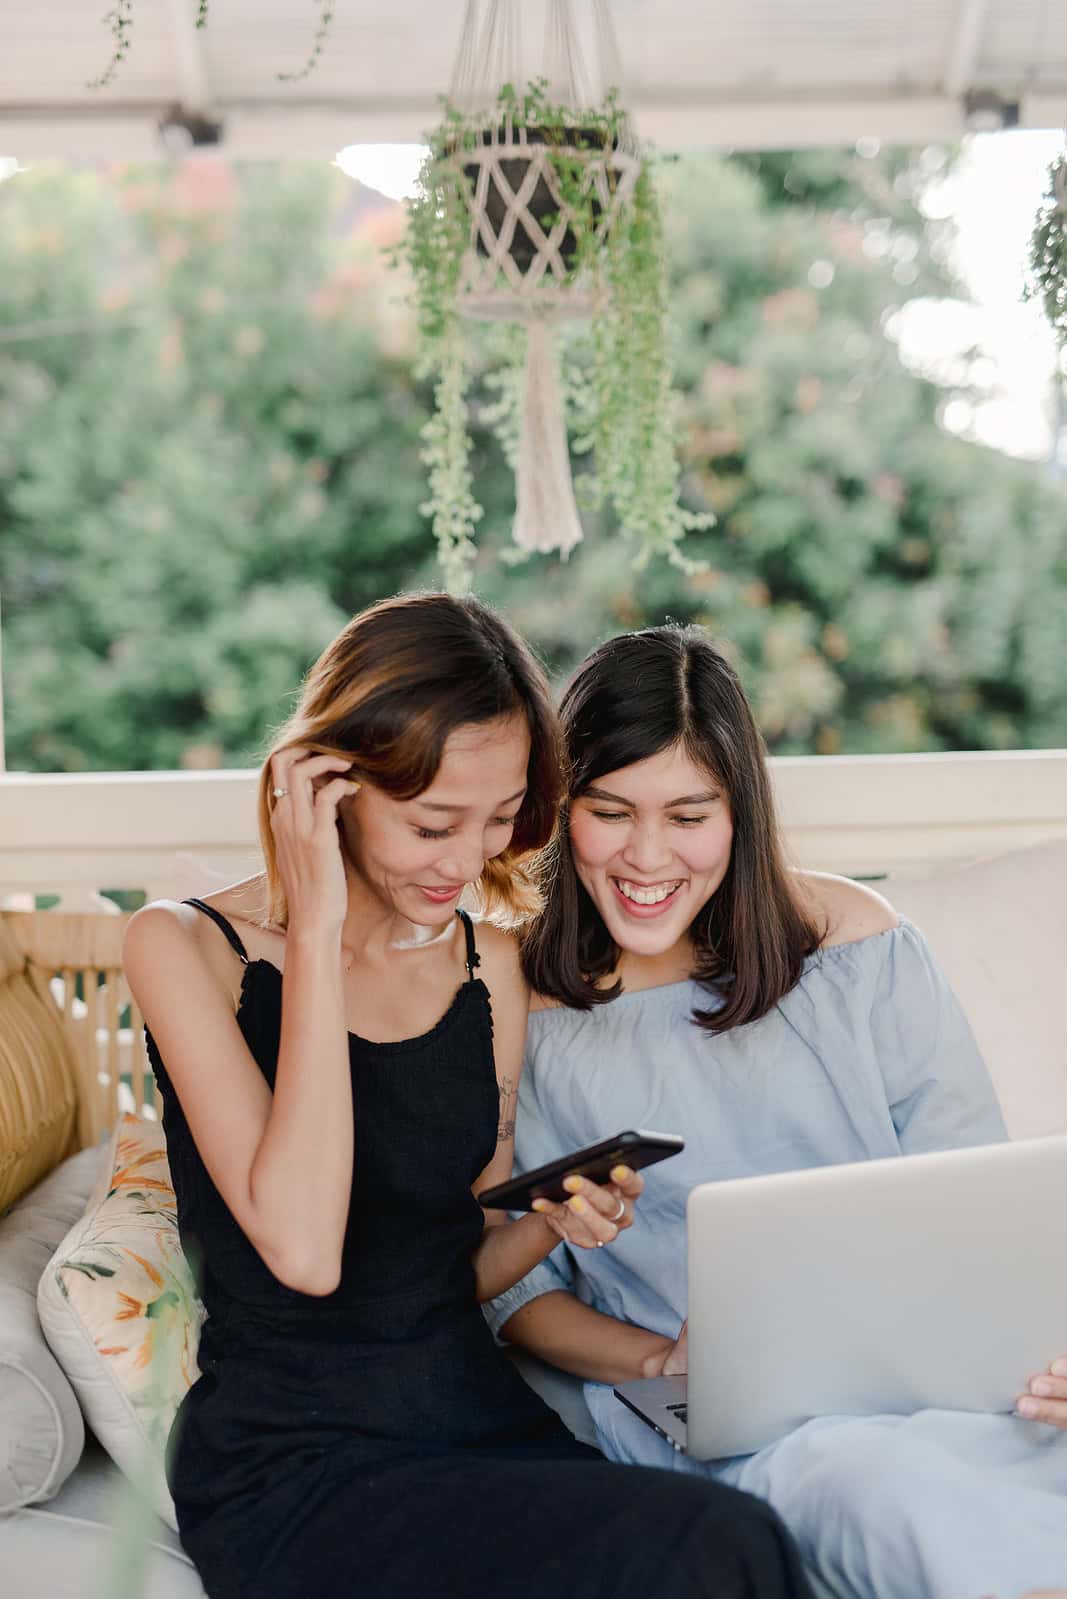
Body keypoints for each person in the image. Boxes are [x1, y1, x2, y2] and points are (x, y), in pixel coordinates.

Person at [123, 594, 816, 1599]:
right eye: (432, 824)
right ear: (331, 788)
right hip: (300, 1461)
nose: (465, 862)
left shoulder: (487, 962)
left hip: (473, 1419)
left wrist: (554, 1221)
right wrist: (316, 929)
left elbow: (456, 1269)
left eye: (499, 821)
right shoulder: (184, 948)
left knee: (719, 1543)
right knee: (715, 1543)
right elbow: (305, 1252)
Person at [487, 623, 1067, 1599]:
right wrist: (663, 1358)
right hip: (748, 1434)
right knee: (883, 1487)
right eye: (608, 810)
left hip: (957, 1395)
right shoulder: (517, 1007)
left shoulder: (856, 946)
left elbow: (981, 1205)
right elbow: (512, 1299)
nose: (646, 854)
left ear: (737, 813)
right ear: (559, 810)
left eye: (687, 814)